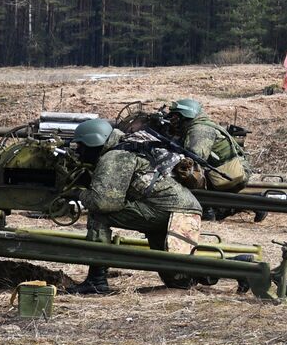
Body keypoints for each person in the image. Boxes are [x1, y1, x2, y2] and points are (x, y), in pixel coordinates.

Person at [66, 118, 202, 295]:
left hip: (165, 209)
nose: (81, 152)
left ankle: (96, 280)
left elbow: (104, 203)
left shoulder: (114, 156)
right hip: (185, 209)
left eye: (83, 146)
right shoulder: (131, 146)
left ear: (94, 142)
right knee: (178, 279)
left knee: (98, 214)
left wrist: (79, 194)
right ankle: (237, 264)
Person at [168, 98, 251, 192]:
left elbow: (193, 159)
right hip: (225, 173)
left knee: (184, 173)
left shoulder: (200, 130)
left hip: (229, 176)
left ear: (186, 116)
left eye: (175, 117)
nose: (173, 120)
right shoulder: (196, 126)